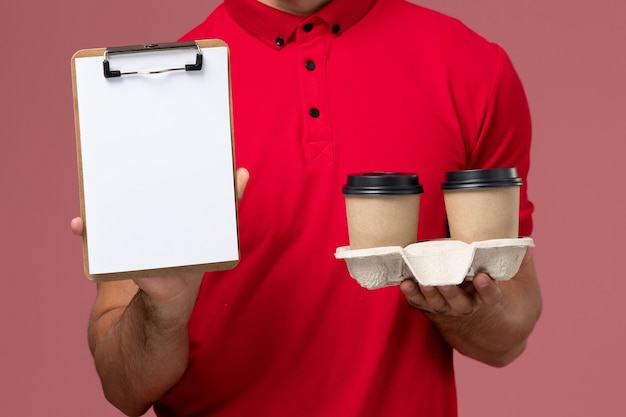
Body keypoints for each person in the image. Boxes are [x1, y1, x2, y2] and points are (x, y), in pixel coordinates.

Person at [71, 0, 542, 416]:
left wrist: (459, 308)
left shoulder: (473, 67)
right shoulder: (154, 94)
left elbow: (510, 333)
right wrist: (165, 309)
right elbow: (123, 387)